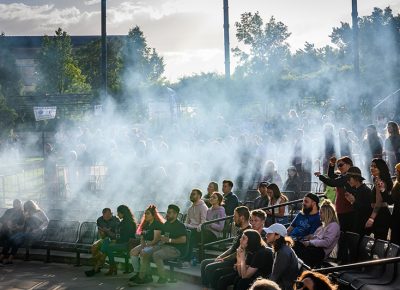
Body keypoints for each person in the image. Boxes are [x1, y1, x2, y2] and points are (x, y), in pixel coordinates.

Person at [132, 204, 186, 284]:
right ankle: (145, 276)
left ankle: (163, 277)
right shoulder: (167, 224)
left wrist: (169, 240)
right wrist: (161, 238)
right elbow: (162, 236)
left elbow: (183, 240)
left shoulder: (180, 225)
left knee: (156, 255)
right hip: (162, 246)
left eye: (169, 213)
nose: (167, 214)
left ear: (175, 214)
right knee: (144, 252)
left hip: (175, 249)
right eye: (167, 212)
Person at [201, 206, 251, 290]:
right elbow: (232, 248)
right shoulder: (239, 230)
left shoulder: (248, 232)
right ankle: (206, 287)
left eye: (235, 216)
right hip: (228, 259)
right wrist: (220, 256)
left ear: (242, 218)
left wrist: (224, 259)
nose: (233, 219)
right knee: (204, 263)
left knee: (209, 268)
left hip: (235, 261)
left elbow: (239, 252)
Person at [293, 200, 340, 268]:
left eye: (321, 213)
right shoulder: (322, 227)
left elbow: (327, 242)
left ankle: (297, 269)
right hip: (314, 248)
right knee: (294, 244)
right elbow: (315, 238)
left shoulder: (333, 226)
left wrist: (310, 242)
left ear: (327, 214)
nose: (319, 214)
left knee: (297, 249)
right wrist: (309, 238)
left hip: (320, 252)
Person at [315, 156, 354, 233]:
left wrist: (320, 176)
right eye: (338, 165)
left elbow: (332, 182)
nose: (339, 168)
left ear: (349, 165)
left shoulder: (348, 176)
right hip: (341, 208)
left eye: (341, 165)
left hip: (347, 209)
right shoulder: (343, 176)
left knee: (346, 232)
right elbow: (331, 176)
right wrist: (332, 165)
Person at [128, 205, 165, 282]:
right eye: (145, 213)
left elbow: (155, 240)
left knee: (143, 252)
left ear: (153, 215)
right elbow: (142, 237)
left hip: (156, 245)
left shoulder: (157, 224)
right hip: (147, 244)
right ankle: (138, 273)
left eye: (148, 213)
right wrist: (142, 245)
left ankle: (146, 275)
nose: (145, 215)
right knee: (133, 252)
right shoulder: (146, 224)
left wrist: (145, 247)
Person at [101, 205, 137, 276]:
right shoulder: (123, 222)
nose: (117, 214)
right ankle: (112, 267)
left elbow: (126, 238)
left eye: (118, 213)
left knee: (108, 248)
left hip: (127, 244)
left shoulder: (129, 223)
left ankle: (112, 267)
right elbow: (117, 234)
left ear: (123, 213)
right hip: (122, 242)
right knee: (106, 241)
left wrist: (116, 241)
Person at [85, 208, 120, 277]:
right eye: (107, 214)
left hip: (113, 240)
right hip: (104, 238)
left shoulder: (115, 220)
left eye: (110, 214)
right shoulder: (100, 220)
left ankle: (95, 268)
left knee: (105, 250)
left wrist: (106, 231)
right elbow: (102, 233)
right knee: (94, 246)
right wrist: (106, 231)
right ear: (103, 214)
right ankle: (98, 267)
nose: (109, 216)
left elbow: (115, 234)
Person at [265, 223, 299, 290]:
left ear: (277, 236)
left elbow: (274, 277)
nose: (266, 235)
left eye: (269, 233)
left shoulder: (282, 252)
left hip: (284, 287)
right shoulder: (282, 249)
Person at [366, 158, 393, 240]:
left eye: (375, 166)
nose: (372, 168)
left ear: (381, 168)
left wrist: (371, 218)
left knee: (380, 242)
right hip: (380, 213)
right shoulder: (377, 179)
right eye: (371, 166)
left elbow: (378, 202)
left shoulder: (380, 181)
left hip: (381, 215)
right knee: (379, 241)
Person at [344, 167, 372, 236]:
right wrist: (352, 201)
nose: (347, 181)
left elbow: (367, 209)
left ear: (356, 178)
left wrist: (353, 201)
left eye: (349, 179)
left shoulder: (366, 190)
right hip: (357, 224)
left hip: (363, 225)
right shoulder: (356, 190)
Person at [184, 188, 208, 263]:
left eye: (193, 194)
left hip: (199, 231)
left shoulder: (203, 207)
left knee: (190, 235)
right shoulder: (190, 208)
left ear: (199, 196)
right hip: (191, 229)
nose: (191, 195)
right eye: (191, 194)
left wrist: (190, 226)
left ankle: (187, 258)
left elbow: (203, 223)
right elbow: (186, 222)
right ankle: (180, 255)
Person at [0, 199, 25, 264]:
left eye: (18, 204)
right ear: (13, 205)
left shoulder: (22, 213)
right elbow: (2, 220)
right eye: (15, 204)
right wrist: (7, 223)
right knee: (11, 239)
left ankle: (6, 258)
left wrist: (16, 227)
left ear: (20, 205)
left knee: (16, 240)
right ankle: (6, 258)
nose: (16, 206)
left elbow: (23, 225)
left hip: (15, 232)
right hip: (5, 231)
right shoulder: (9, 211)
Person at [388, 163, 400, 244]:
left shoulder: (397, 186)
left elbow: (390, 200)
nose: (395, 173)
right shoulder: (397, 185)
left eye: (397, 171)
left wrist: (383, 190)